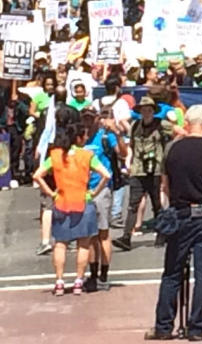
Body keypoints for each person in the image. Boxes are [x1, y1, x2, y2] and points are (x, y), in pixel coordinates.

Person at [145, 104, 202, 341]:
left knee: (172, 272)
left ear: (187, 123)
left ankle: (163, 327)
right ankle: (197, 326)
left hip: (180, 212)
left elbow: (165, 184)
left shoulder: (172, 149)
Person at [33, 118, 111, 296]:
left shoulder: (55, 155)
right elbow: (106, 175)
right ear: (78, 138)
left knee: (60, 244)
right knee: (83, 243)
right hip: (83, 202)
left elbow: (37, 175)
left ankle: (59, 281)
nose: (85, 138)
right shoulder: (86, 156)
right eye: (84, 135)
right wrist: (93, 192)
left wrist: (52, 193)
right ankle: (78, 280)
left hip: (62, 202)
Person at [114, 96, 173, 252]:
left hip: (156, 170)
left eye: (149, 110)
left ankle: (162, 234)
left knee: (156, 204)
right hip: (138, 169)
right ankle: (126, 237)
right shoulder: (135, 126)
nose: (146, 112)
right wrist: (129, 162)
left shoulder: (161, 125)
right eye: (143, 110)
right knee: (133, 204)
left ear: (153, 111)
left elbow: (179, 132)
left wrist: (168, 154)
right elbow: (132, 146)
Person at [80, 104, 126, 292]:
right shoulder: (80, 138)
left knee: (103, 233)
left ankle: (104, 275)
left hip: (101, 189)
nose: (88, 121)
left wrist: (117, 132)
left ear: (97, 118)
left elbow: (122, 153)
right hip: (83, 189)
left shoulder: (105, 136)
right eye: (85, 117)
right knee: (90, 236)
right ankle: (93, 274)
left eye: (91, 117)